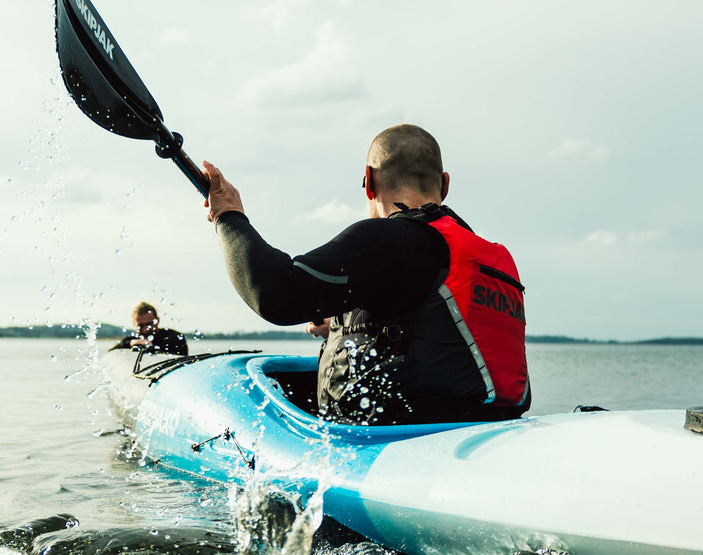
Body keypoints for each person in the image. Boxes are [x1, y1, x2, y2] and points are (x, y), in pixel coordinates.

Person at [203, 123, 530, 425]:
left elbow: (274, 294)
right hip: (490, 430)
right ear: (444, 184)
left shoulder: (389, 239)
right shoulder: (493, 256)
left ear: (369, 181)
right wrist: (345, 322)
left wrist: (228, 214)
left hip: (404, 441)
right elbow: (436, 329)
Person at [109, 301, 188, 355]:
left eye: (149, 325)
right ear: (134, 324)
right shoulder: (131, 341)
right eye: (140, 326)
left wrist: (156, 350)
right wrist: (129, 344)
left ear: (157, 321)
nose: (145, 330)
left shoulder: (174, 338)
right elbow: (110, 355)